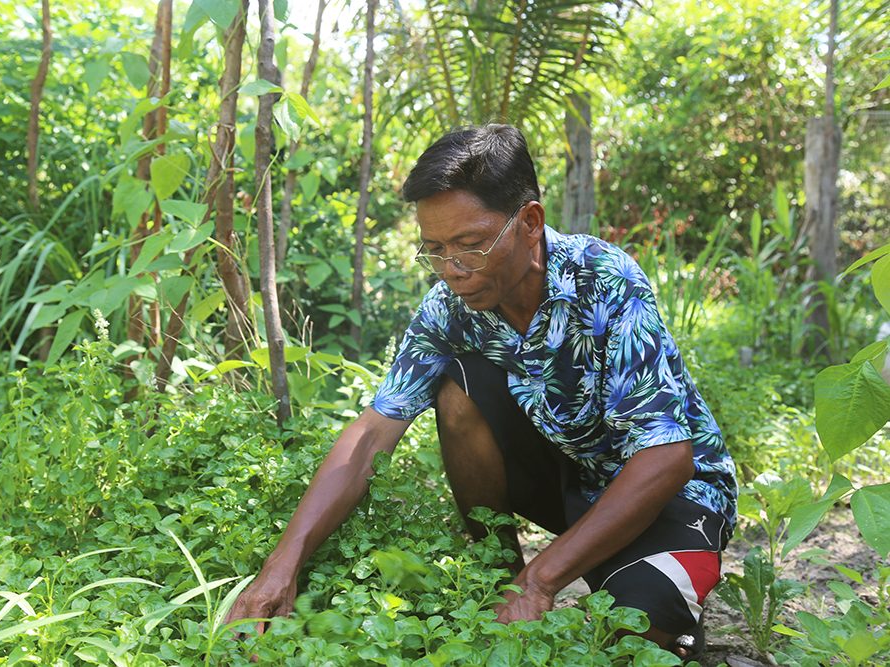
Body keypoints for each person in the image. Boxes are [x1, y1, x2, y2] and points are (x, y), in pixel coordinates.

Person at [224, 124, 738, 655]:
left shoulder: (605, 280)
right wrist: (281, 564)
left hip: (670, 494)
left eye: (470, 246)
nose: (452, 271)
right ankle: (498, 576)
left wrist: (541, 582)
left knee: (642, 632)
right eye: (435, 250)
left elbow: (667, 458)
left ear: (530, 222)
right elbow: (371, 435)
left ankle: (563, 583)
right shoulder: (448, 310)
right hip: (571, 487)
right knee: (455, 388)